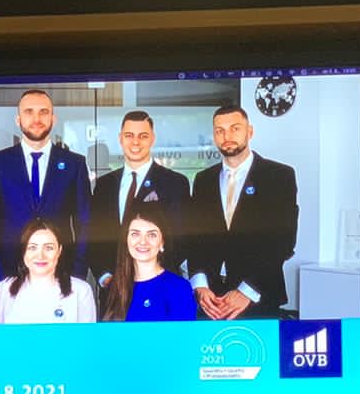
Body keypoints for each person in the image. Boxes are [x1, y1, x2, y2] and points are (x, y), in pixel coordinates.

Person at [186, 104, 299, 320]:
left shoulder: (279, 176)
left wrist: (246, 291)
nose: (227, 136)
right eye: (219, 130)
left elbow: (283, 241)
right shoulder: (203, 180)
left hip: (259, 297)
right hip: (211, 301)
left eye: (235, 128)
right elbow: (195, 240)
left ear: (250, 131)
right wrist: (199, 286)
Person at [0, 90, 92, 286]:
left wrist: (77, 275)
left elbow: (85, 223)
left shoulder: (74, 164)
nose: (36, 119)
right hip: (9, 276)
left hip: (63, 275)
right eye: (29, 112)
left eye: (43, 112)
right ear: (18, 119)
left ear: (53, 118)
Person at [90, 110, 192, 288]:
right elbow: (94, 235)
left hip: (159, 287)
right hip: (113, 288)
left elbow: (180, 239)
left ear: (152, 139)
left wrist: (152, 277)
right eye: (129, 135)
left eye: (143, 136)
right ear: (120, 138)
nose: (135, 142)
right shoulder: (104, 185)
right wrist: (105, 276)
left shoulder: (175, 183)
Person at [98, 206, 197, 322]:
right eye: (135, 234)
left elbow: (183, 333)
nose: (143, 242)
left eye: (151, 235)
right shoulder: (114, 287)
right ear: (126, 240)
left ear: (162, 243)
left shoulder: (178, 287)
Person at [0, 219, 96, 324]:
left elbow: (87, 336)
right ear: (23, 252)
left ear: (59, 251)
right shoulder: (6, 288)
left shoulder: (81, 290)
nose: (40, 256)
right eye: (32, 248)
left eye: (48, 248)